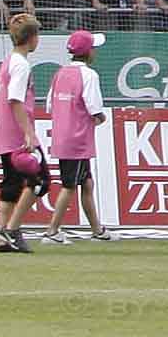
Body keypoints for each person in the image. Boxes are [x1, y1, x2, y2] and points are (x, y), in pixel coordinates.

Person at [43, 30, 112, 244]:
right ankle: (52, 231)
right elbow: (93, 106)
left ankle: (97, 230)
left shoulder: (60, 73)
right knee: (69, 185)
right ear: (88, 52)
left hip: (62, 137)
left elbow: (49, 105)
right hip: (79, 139)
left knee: (86, 183)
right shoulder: (89, 75)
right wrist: (101, 118)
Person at [0, 10, 45, 255]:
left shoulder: (8, 60)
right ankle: (11, 231)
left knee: (11, 183)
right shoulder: (21, 65)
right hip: (17, 134)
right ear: (32, 37)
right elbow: (15, 100)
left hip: (3, 130)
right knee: (40, 181)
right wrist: (29, 133)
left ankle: (2, 234)